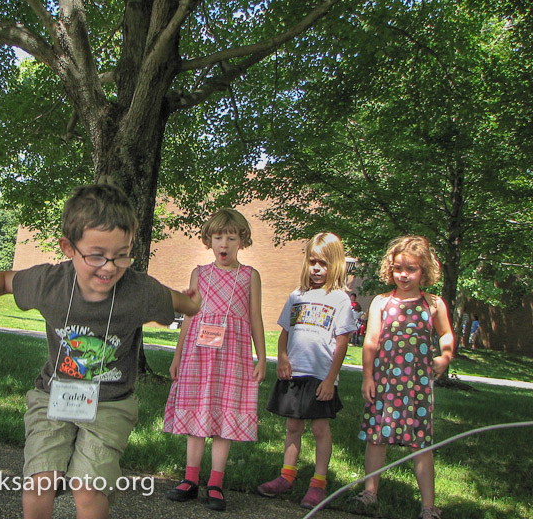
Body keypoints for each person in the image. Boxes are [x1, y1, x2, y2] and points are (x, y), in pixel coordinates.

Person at [0, 183, 201, 519]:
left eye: (122, 254)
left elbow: (181, 303)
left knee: (89, 489)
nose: (110, 267)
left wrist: (193, 303)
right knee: (40, 481)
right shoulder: (49, 284)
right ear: (68, 247)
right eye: (96, 255)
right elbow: (6, 281)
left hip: (111, 404)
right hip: (54, 395)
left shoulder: (139, 292)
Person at [163, 209, 267, 512]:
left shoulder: (249, 276)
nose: (224, 244)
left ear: (242, 241)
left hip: (233, 357)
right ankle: (190, 479)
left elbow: (256, 318)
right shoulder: (200, 273)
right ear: (209, 240)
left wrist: (261, 358)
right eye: (218, 237)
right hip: (198, 355)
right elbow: (188, 316)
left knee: (224, 415)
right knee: (197, 411)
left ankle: (216, 483)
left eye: (231, 238)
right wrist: (177, 356)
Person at [350, 235, 454, 519]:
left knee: (419, 442)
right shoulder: (382, 302)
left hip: (417, 387)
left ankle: (429, 506)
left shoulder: (433, 303)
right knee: (377, 437)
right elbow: (371, 340)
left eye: (411, 269)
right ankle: (370, 493)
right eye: (398, 268)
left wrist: (445, 356)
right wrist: (367, 377)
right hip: (383, 383)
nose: (403, 275)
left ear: (424, 271)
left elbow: (445, 334)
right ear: (390, 268)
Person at [257, 232, 355, 510]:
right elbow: (284, 333)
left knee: (321, 428)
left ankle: (318, 483)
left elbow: (342, 343)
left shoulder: (339, 300)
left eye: (323, 263)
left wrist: (330, 379)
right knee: (293, 426)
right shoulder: (296, 296)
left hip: (320, 377)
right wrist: (283, 359)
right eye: (312, 261)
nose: (316, 269)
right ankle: (286, 476)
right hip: (295, 375)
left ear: (335, 265)